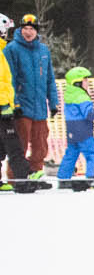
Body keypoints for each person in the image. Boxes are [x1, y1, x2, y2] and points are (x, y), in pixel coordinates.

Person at [5, 12, 59, 181]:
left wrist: (53, 103)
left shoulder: (43, 50)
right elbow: (9, 79)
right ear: (20, 30)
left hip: (40, 107)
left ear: (37, 31)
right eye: (25, 28)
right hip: (22, 106)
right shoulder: (11, 49)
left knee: (41, 145)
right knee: (19, 144)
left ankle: (36, 172)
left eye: (32, 29)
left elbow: (50, 78)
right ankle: (16, 177)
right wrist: (15, 104)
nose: (28, 32)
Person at [54, 65, 94, 184]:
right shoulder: (81, 96)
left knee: (71, 152)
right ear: (77, 83)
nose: (88, 82)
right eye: (85, 80)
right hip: (83, 130)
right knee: (92, 152)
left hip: (71, 130)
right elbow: (90, 115)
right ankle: (93, 177)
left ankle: (63, 178)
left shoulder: (69, 95)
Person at [0, 13, 19, 182]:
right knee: (12, 144)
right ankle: (22, 175)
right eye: (5, 30)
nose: (6, 34)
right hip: (2, 106)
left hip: (5, 104)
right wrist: (3, 104)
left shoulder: (1, 51)